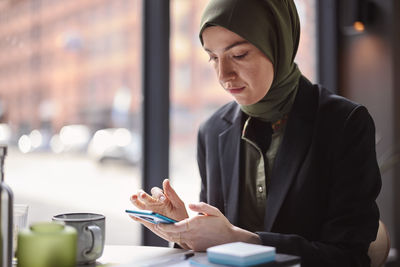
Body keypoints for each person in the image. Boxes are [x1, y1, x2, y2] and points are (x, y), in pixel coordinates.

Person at [129, 0, 381, 266]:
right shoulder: (213, 130)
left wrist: (243, 240)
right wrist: (186, 229)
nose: (223, 74)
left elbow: (349, 257)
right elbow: (214, 248)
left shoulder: (344, 123)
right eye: (213, 57)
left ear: (278, 44)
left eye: (238, 55)